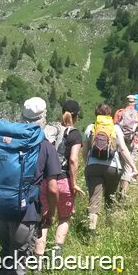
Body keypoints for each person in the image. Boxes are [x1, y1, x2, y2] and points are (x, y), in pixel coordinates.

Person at [0, 97, 61, 275]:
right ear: (43, 117)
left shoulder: (3, 141)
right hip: (26, 212)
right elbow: (52, 187)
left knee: (6, 252)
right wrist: (51, 212)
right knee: (20, 258)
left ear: (22, 116)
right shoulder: (45, 146)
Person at [35, 100, 85, 257]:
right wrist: (74, 183)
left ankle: (38, 261)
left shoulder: (48, 130)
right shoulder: (75, 134)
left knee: (43, 219)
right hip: (63, 181)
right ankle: (56, 255)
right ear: (76, 116)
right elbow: (73, 160)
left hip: (44, 180)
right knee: (64, 217)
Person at [83, 103, 138, 230]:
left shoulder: (90, 128)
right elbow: (123, 150)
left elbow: (85, 152)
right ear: (109, 115)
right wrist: (133, 167)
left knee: (94, 198)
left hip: (93, 166)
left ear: (96, 115)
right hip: (113, 167)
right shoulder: (115, 128)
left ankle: (91, 229)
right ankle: (110, 225)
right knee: (110, 196)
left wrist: (88, 165)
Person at [114, 95, 138, 161]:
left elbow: (114, 129)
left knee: (121, 163)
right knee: (131, 164)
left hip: (121, 141)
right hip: (133, 141)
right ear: (135, 103)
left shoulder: (119, 112)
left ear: (126, 102)